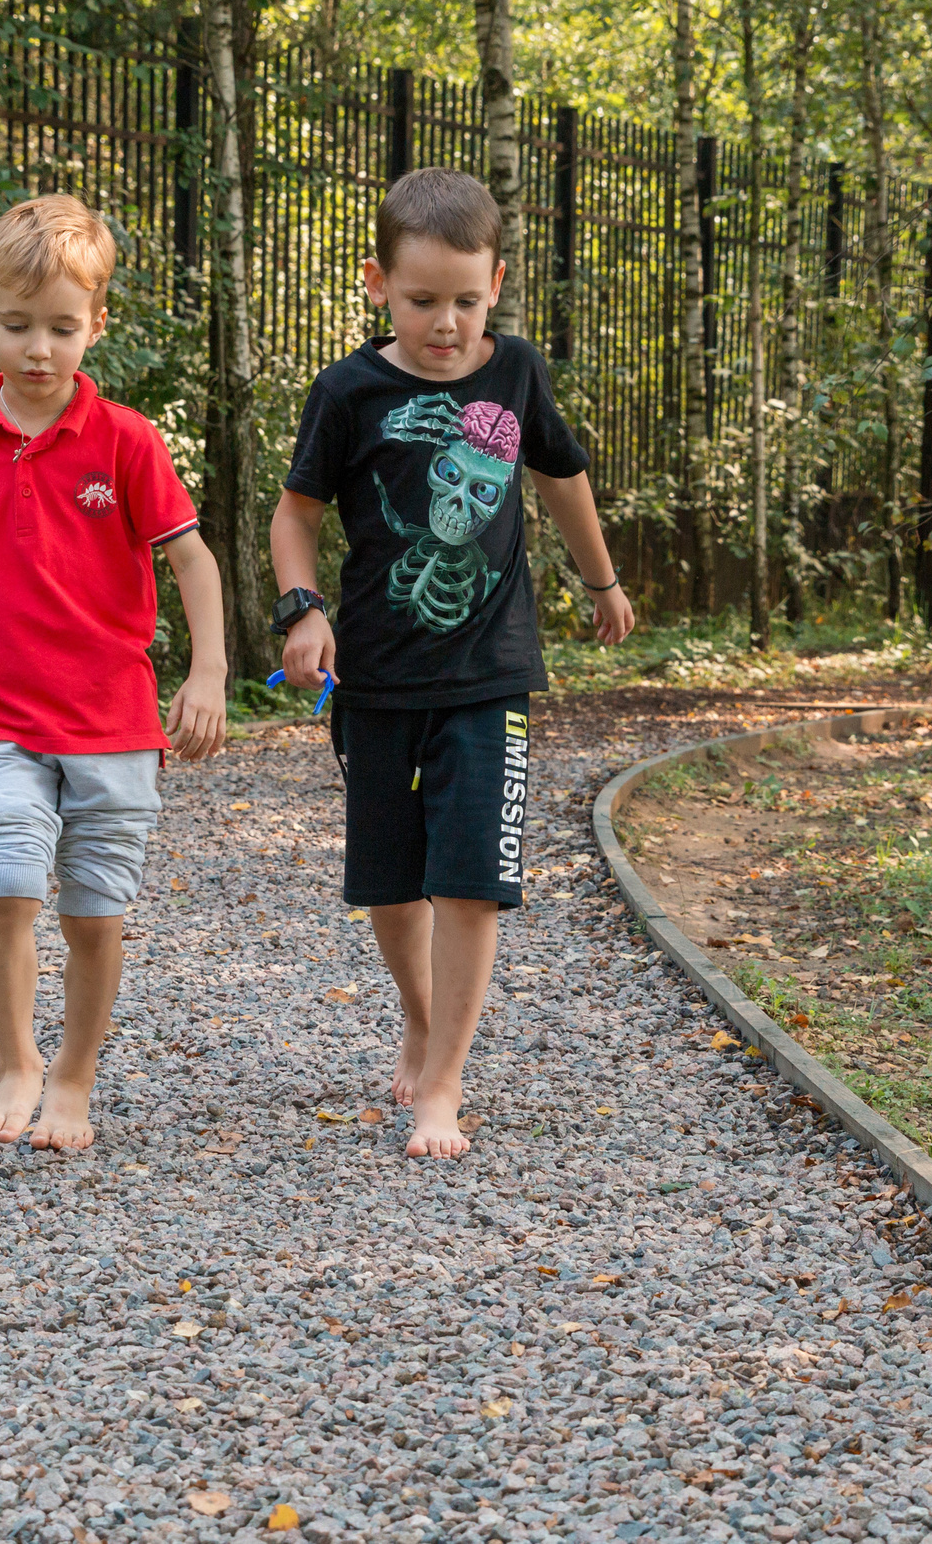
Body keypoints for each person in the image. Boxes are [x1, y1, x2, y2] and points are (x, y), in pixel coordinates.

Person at [270, 166, 637, 1160]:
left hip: (490, 674)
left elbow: (561, 478)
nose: (447, 324)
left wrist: (600, 583)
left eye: (468, 302)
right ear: (376, 284)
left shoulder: (514, 372)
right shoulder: (349, 390)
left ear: (497, 285)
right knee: (392, 886)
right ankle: (421, 1015)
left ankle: (443, 1084)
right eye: (424, 301)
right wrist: (302, 610)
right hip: (377, 679)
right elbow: (295, 516)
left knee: (471, 878)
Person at [0, 193, 228, 1152]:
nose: (40, 349)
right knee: (5, 873)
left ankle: (74, 1076)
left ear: (97, 325)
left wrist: (206, 672)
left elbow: (192, 559)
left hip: (113, 721)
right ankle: (17, 1061)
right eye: (19, 325)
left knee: (92, 911)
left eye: (63, 329)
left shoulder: (126, 440)